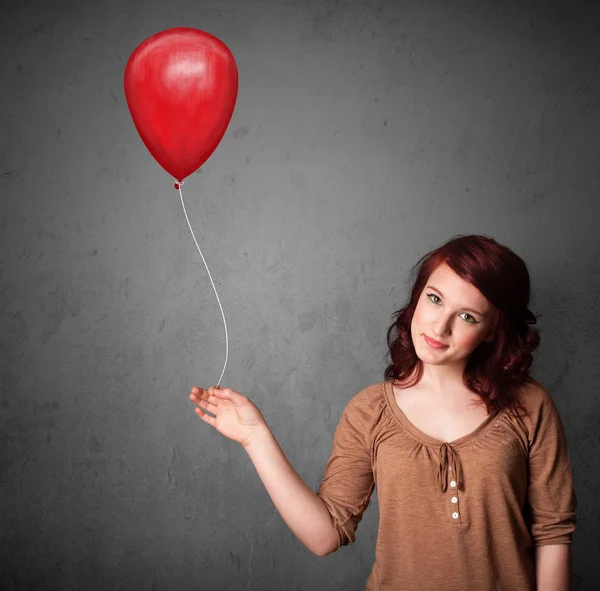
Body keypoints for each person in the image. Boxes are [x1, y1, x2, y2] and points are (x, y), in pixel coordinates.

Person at [189, 234, 577, 591]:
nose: (439, 327)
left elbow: (553, 533)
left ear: (493, 330)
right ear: (417, 296)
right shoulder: (369, 410)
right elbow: (325, 536)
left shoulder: (529, 406)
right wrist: (255, 437)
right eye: (435, 298)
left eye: (467, 316)